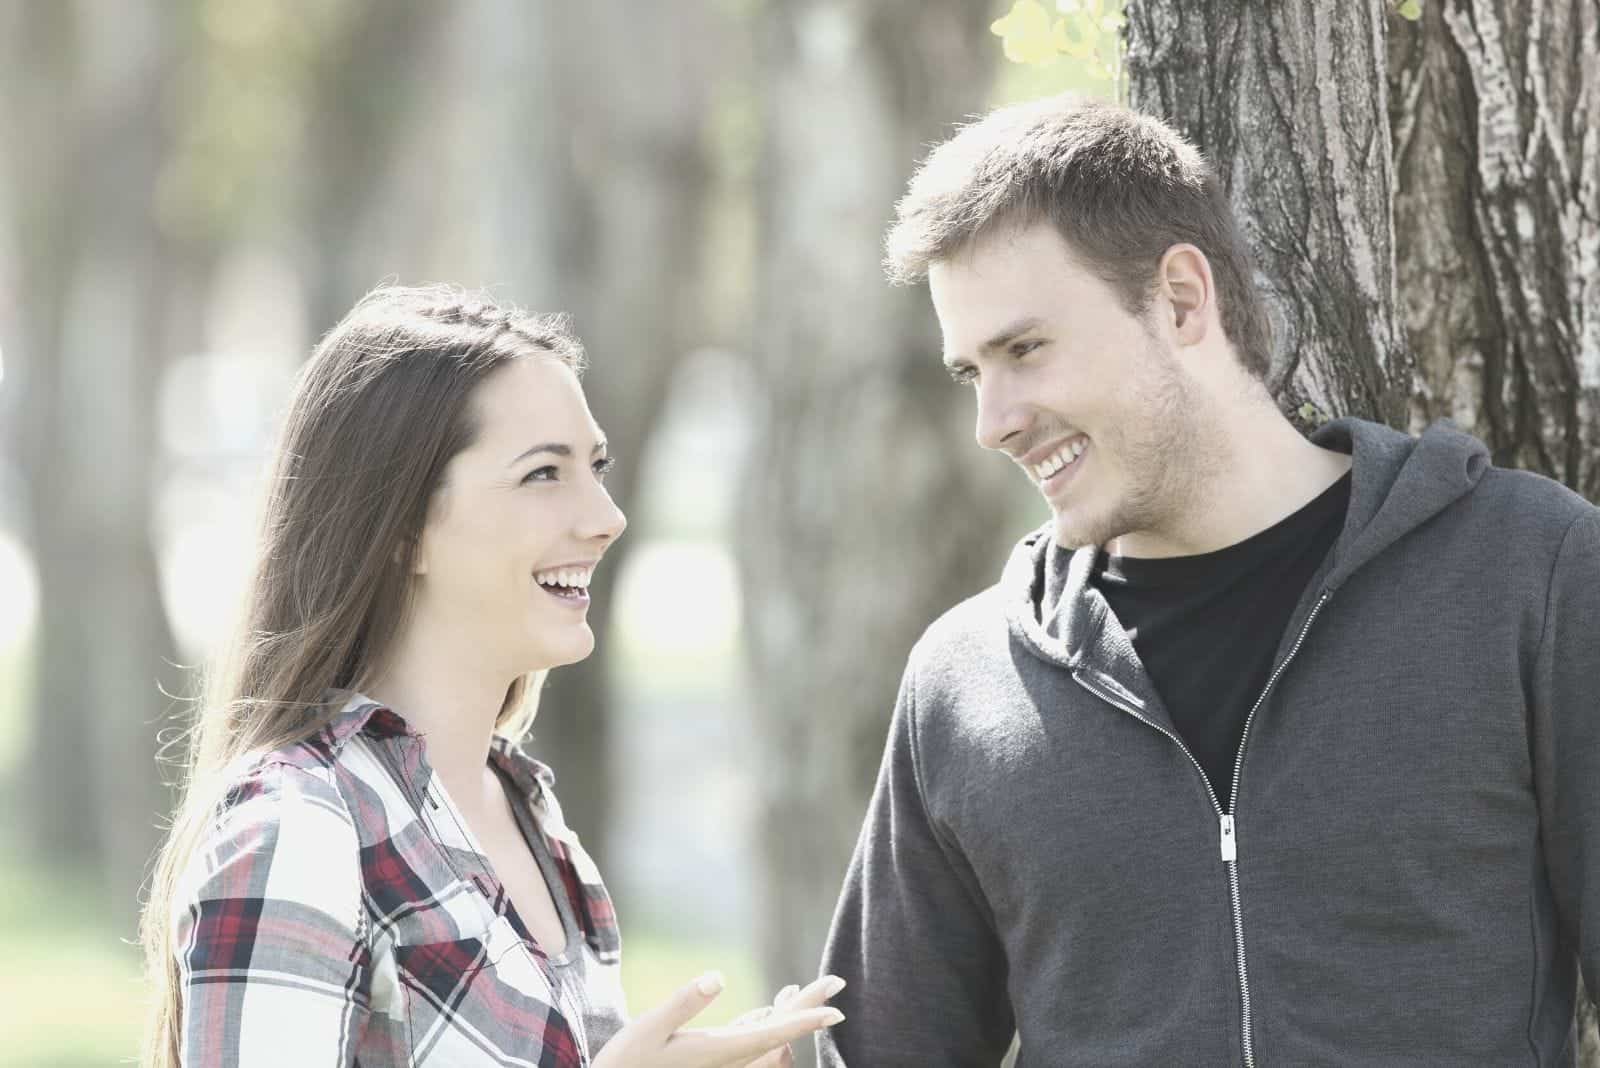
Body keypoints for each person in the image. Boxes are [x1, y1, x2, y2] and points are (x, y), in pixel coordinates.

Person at [818, 94, 1599, 1066]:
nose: (997, 421)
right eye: (972, 372)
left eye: (1024, 349)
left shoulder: (1527, 573)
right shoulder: (967, 684)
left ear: (1181, 300)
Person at [139, 285, 843, 1067]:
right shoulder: (298, 827)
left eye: (597, 466)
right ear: (404, 525)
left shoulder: (529, 816)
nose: (605, 515)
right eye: (544, 474)